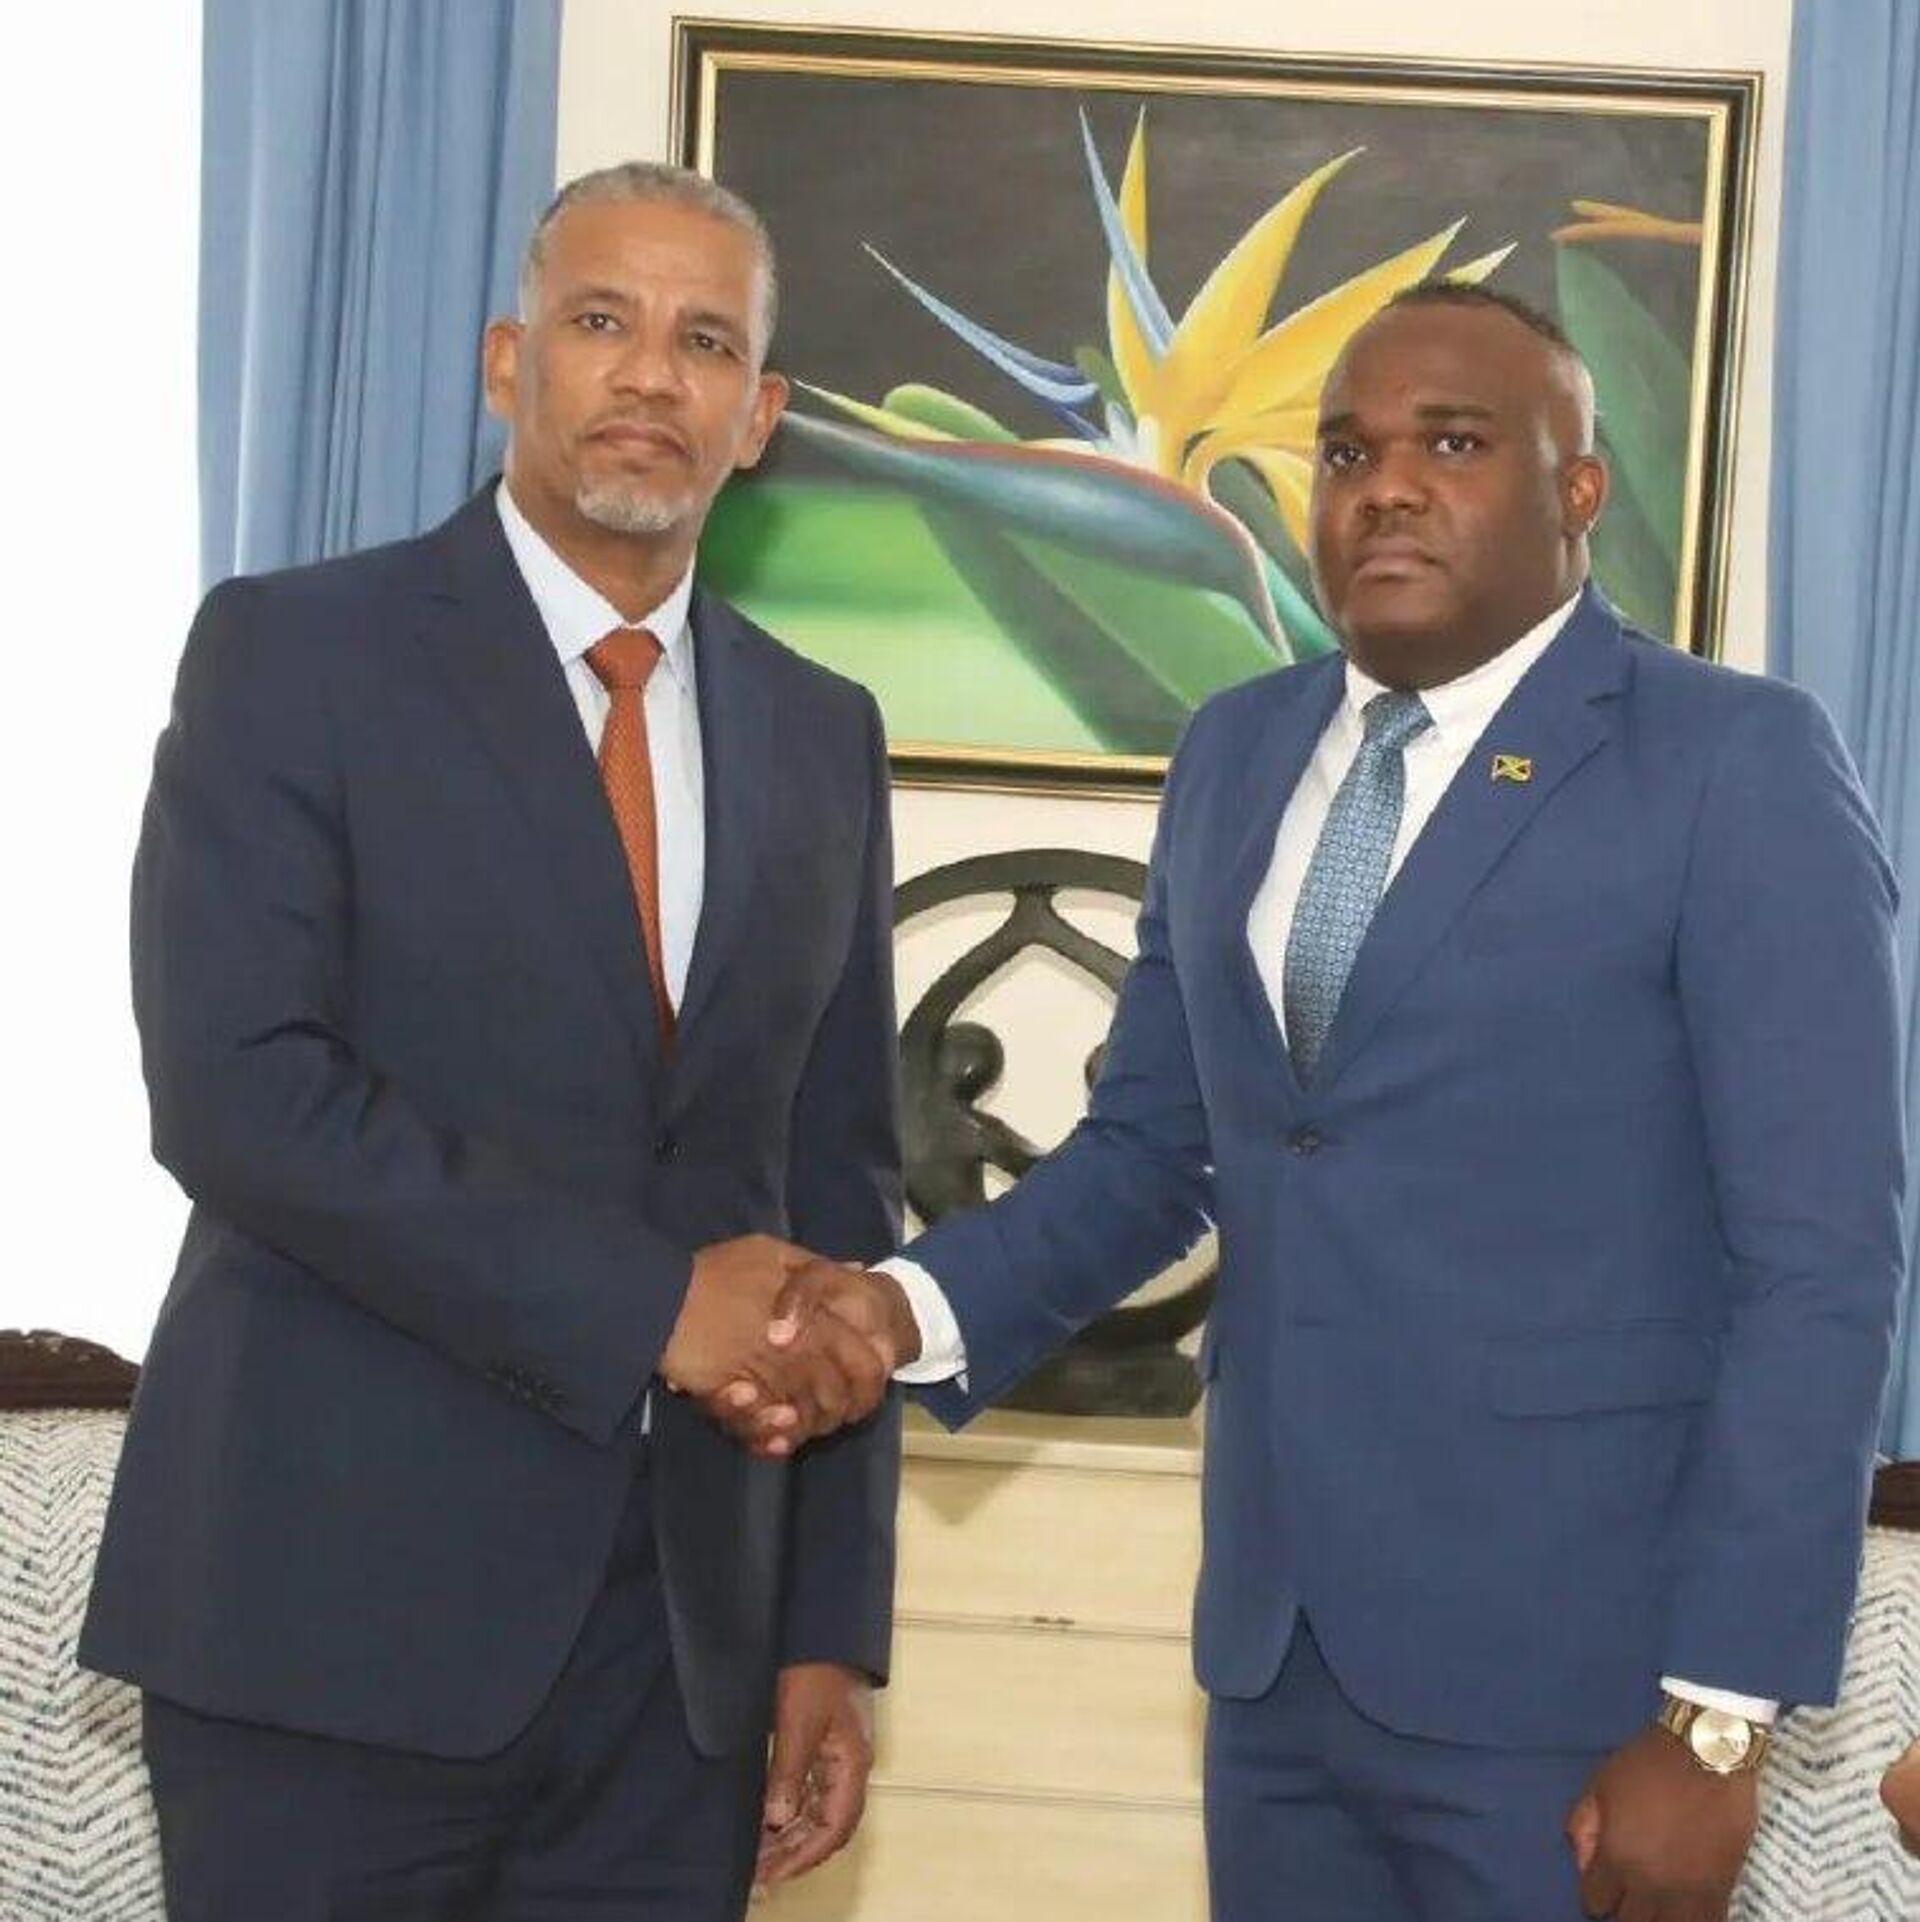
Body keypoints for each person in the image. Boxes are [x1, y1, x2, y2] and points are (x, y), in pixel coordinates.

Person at [739, 285, 1907, 1921]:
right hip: (1277, 1667)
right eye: (1349, 452)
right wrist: (898, 1307)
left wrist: (1715, 1716)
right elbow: (1154, 1149)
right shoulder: (1237, 751)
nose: (1388, 487)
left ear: (1579, 488)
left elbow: (1823, 1265)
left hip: (1582, 1686)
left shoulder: (1732, 761)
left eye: (1456, 444)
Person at [80, 162, 902, 1920]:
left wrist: (825, 1628)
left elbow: (834, 1192)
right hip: (323, 1625)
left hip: (678, 1675)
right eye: (602, 320)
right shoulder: (292, 651)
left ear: (759, 417)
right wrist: (648, 1305)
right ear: (506, 361)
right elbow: (236, 1091)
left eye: (705, 343)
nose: (650, 374)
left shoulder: (824, 732)